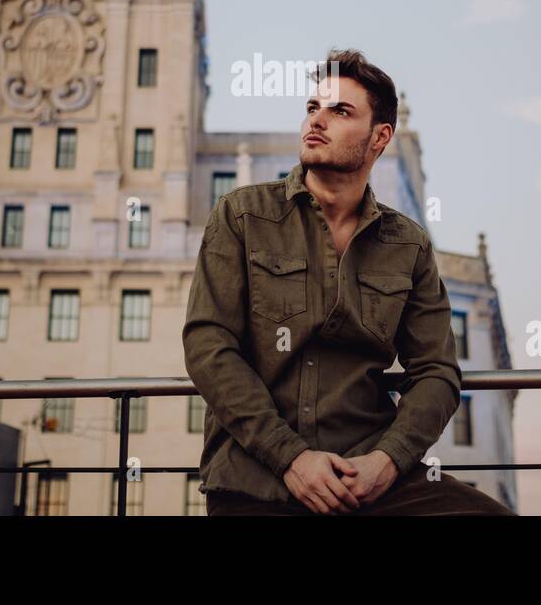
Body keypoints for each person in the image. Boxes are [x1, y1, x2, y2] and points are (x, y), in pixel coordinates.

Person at [183, 48, 515, 516]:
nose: (316, 121)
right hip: (258, 478)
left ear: (380, 137)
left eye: (340, 111)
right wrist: (292, 458)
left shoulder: (409, 244)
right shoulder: (241, 216)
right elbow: (208, 346)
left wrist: (387, 461)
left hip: (373, 477)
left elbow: (437, 373)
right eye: (313, 108)